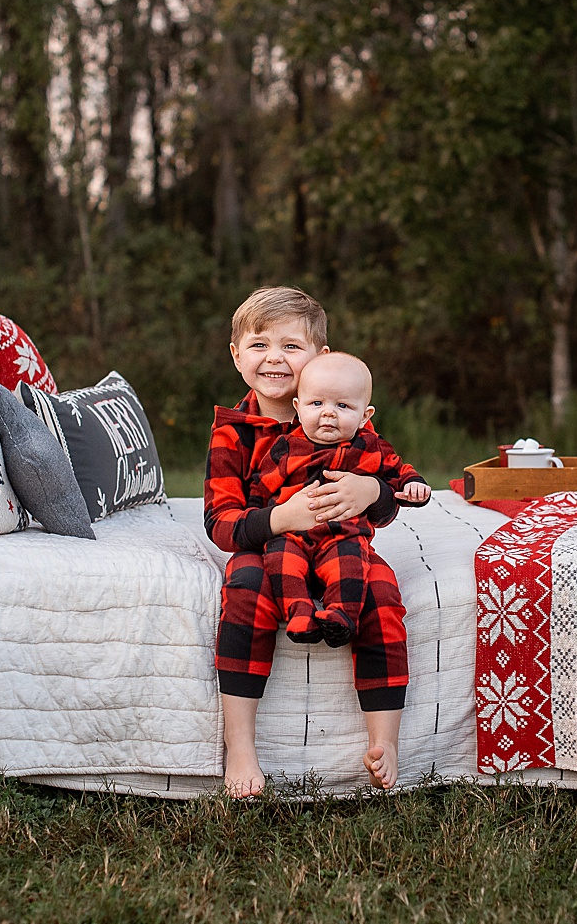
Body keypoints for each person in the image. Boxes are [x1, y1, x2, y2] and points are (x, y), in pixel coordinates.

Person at [204, 287, 408, 796]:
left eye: (291, 346)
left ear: (320, 355)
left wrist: (372, 490)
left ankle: (385, 741)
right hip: (269, 545)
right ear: (236, 355)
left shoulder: (335, 409)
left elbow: (384, 501)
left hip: (342, 542)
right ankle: (241, 743)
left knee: (380, 593)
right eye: (259, 345)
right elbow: (221, 524)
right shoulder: (233, 433)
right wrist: (280, 518)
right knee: (246, 588)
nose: (274, 358)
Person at [249, 352, 430, 648]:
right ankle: (300, 612)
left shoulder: (370, 447)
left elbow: (398, 470)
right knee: (281, 562)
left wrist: (414, 485)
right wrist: (263, 516)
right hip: (292, 535)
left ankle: (341, 616)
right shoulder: (286, 447)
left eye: (342, 405)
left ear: (365, 416)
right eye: (316, 404)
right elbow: (261, 486)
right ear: (299, 407)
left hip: (342, 536)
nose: (328, 413)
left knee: (349, 565)